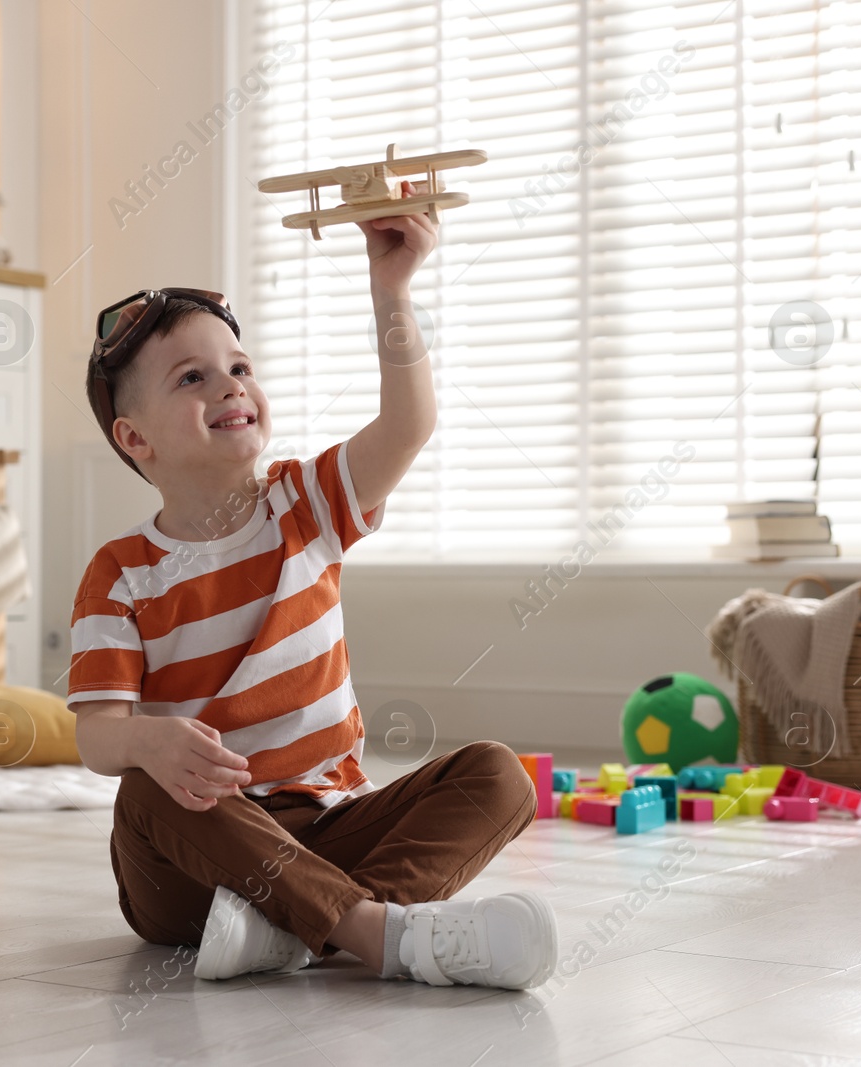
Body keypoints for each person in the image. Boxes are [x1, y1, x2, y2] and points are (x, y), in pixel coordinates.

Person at [67, 184, 557, 988]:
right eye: (191, 378)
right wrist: (149, 741)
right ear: (135, 438)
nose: (229, 386)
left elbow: (408, 425)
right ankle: (370, 931)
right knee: (144, 794)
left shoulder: (304, 503)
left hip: (326, 828)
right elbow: (97, 737)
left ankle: (308, 929)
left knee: (498, 776)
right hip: (196, 860)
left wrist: (390, 289)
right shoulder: (121, 571)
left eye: (238, 367)